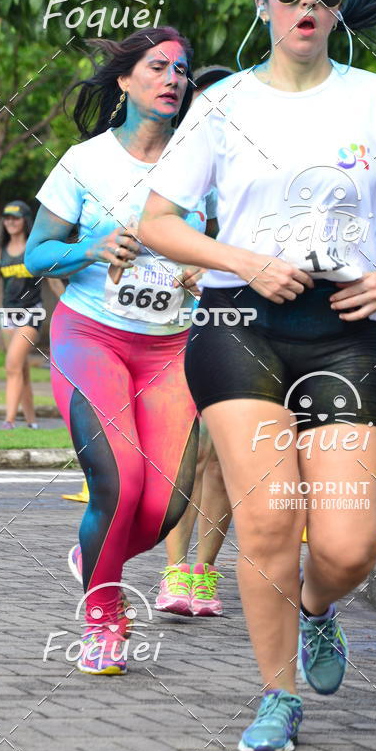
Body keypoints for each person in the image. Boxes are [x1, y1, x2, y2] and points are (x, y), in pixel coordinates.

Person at [140, 0, 376, 751]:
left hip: (346, 331)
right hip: (236, 324)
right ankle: (276, 695)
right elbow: (157, 222)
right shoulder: (223, 107)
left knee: (347, 544)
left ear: (336, 9)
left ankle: (320, 611)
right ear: (263, 3)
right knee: (266, 523)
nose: (307, 2)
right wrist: (245, 260)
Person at [25, 27, 208, 675]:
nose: (173, 79)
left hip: (168, 350)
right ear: (126, 81)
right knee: (120, 484)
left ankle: (92, 554)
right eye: (158, 67)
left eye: (181, 71)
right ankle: (104, 615)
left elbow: (222, 246)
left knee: (165, 507)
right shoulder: (86, 161)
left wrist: (202, 270)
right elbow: (34, 254)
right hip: (92, 336)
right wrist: (91, 248)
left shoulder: (200, 163)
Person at [156, 65, 234, 618]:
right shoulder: (170, 165)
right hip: (167, 327)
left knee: (222, 456)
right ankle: (173, 572)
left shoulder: (260, 167)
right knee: (185, 453)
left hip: (238, 322)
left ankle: (205, 573)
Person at [0, 200, 64, 429]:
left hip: (31, 314)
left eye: (15, 217)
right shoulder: (0, 253)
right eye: (7, 217)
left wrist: (69, 308)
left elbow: (54, 285)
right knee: (20, 368)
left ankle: (9, 421)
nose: (10, 222)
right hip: (7, 314)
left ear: (25, 220)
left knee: (12, 364)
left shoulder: (34, 252)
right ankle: (32, 422)